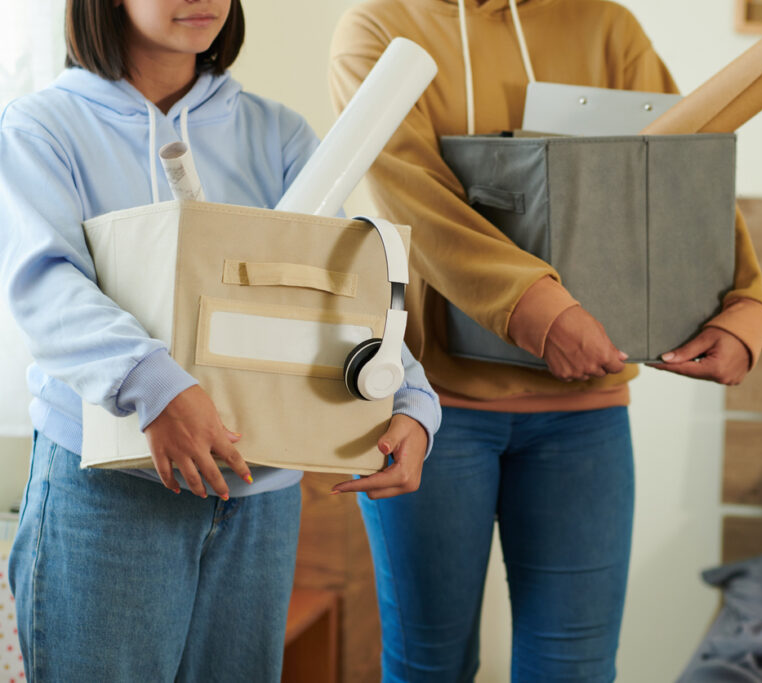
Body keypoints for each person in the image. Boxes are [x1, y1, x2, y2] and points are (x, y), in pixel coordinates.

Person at [327, 0, 762, 681]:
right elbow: (409, 194)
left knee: (574, 670)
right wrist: (539, 309)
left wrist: (746, 307)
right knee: (429, 666)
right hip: (425, 408)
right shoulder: (378, 26)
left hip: (582, 417)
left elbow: (683, 167)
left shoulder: (608, 27)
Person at [1, 1, 441, 681]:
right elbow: (45, 285)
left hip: (257, 493)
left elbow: (342, 281)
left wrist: (411, 397)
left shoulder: (277, 134)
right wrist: (157, 386)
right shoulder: (42, 127)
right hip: (110, 493)